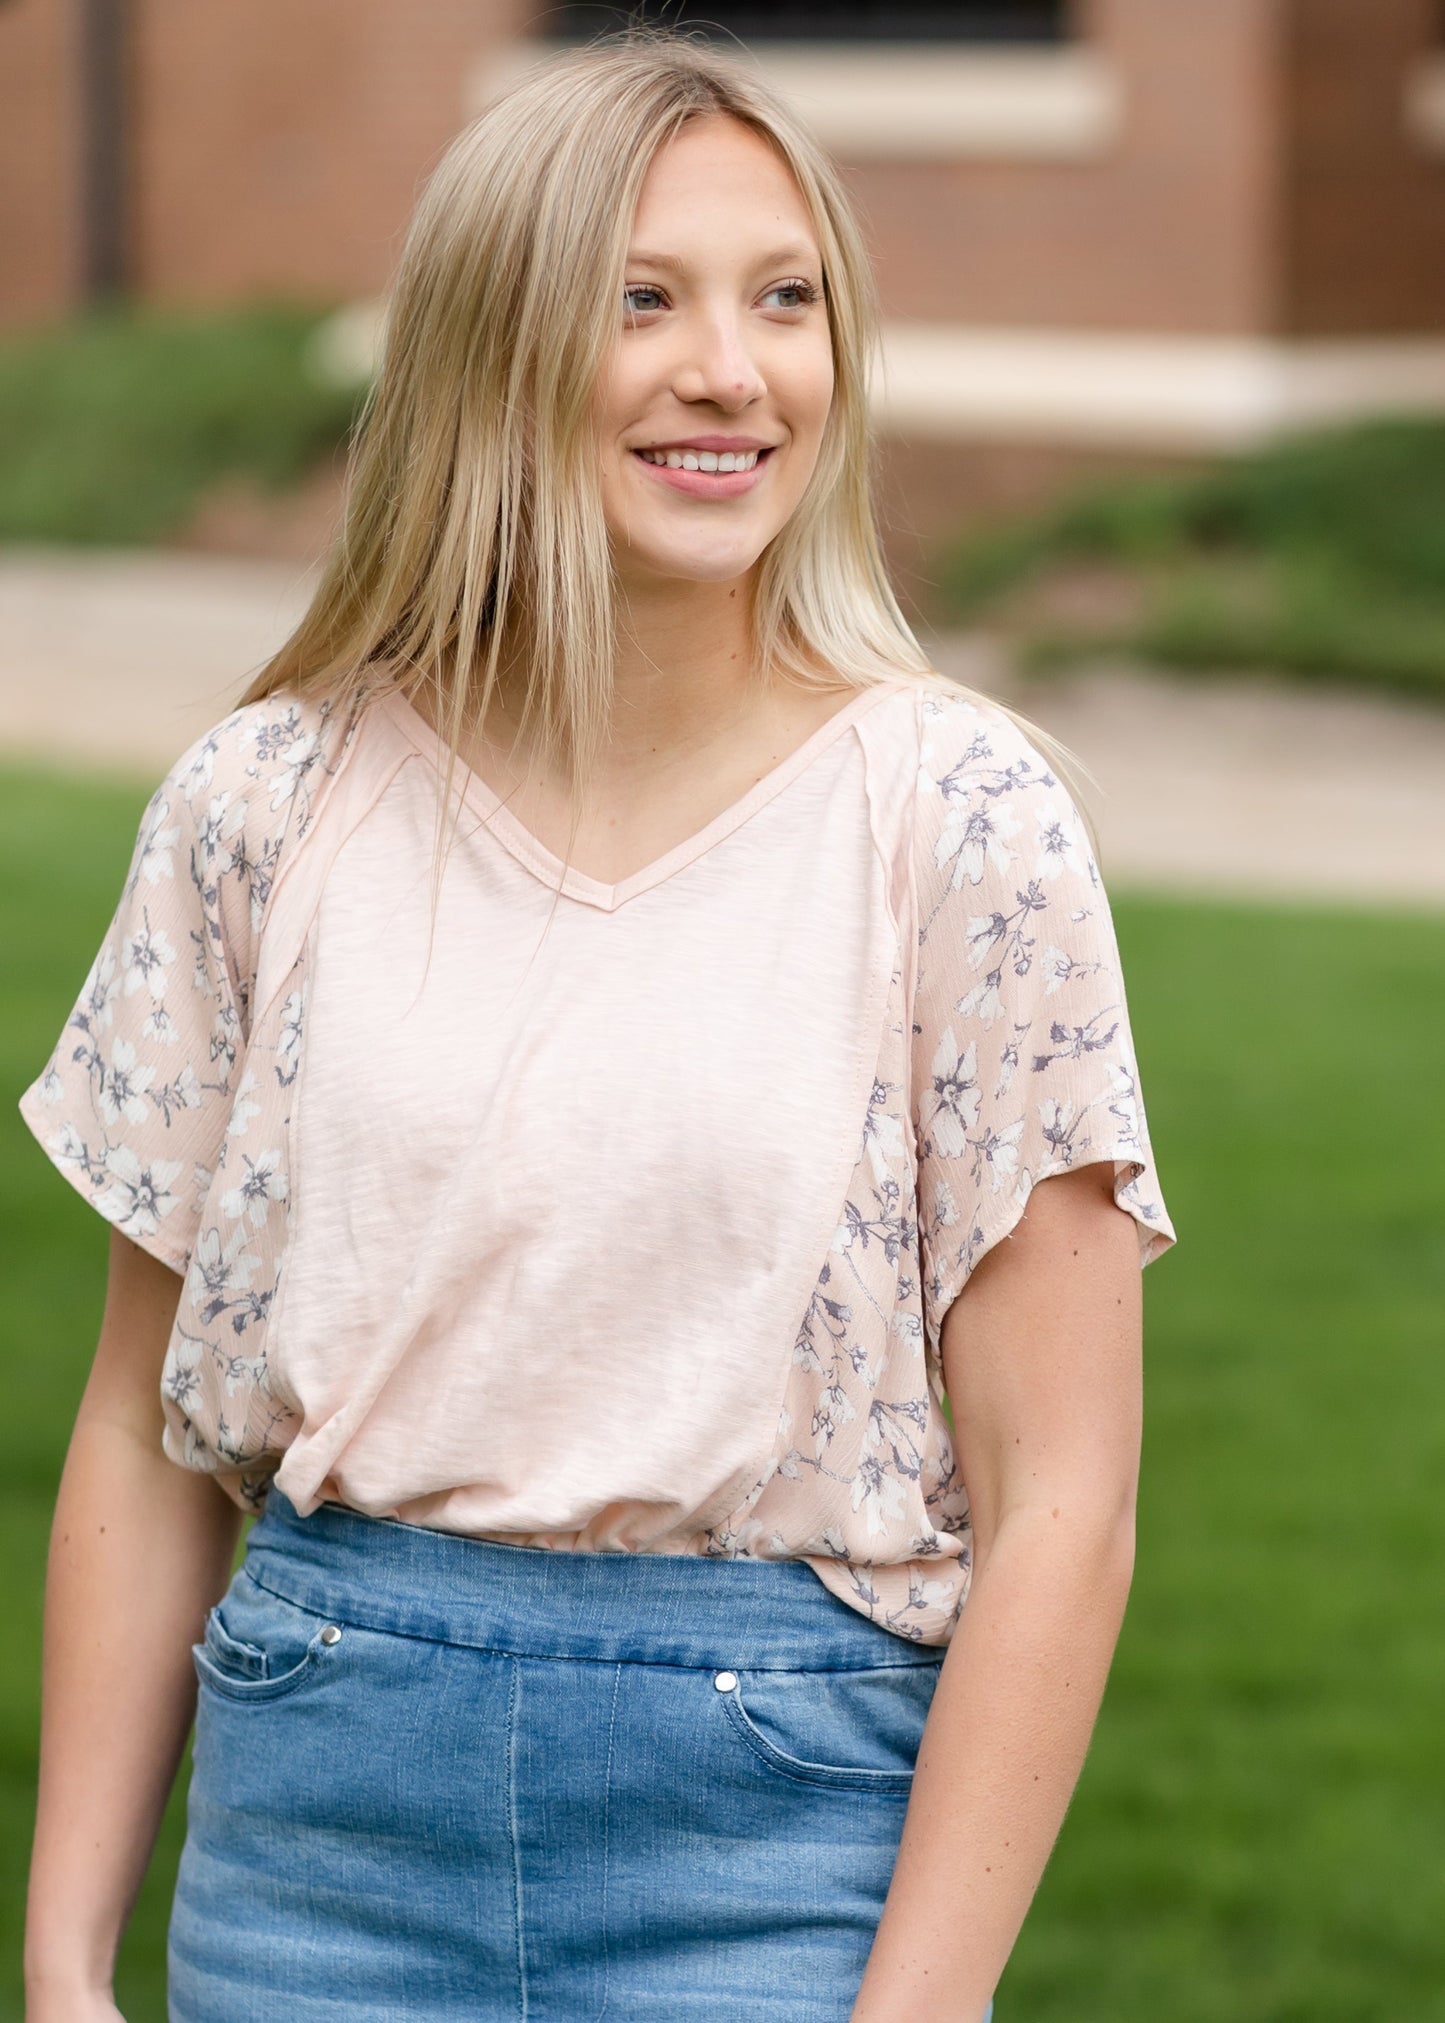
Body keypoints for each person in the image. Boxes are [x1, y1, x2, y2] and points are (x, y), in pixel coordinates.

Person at [20, 29, 1177, 2023]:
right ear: (490, 342)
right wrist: (58, 1955)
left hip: (778, 1863)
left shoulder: (963, 825)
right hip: (313, 1854)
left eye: (784, 298)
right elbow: (138, 1428)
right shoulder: (263, 806)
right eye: (641, 299)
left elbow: (1064, 1494)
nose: (730, 369)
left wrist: (917, 2007)